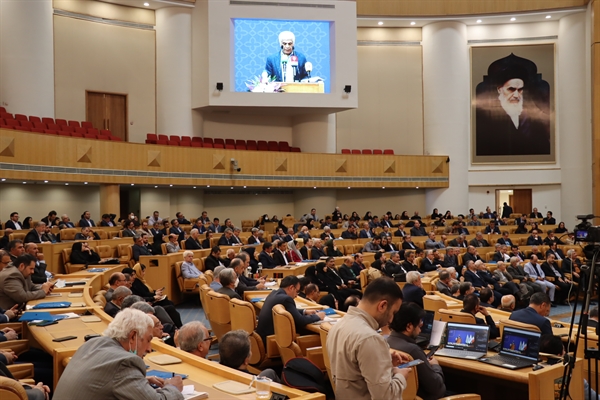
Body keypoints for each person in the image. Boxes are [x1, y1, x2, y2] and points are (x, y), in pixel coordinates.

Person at [53, 308, 184, 399]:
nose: (149, 349)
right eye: (148, 340)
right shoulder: (124, 363)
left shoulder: (91, 344)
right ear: (133, 336)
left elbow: (106, 380)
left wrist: (141, 382)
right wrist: (172, 387)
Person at [327, 277, 410, 399]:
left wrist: (384, 361)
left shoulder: (337, 326)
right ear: (382, 306)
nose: (391, 319)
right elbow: (385, 396)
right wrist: (401, 376)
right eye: (393, 312)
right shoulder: (369, 338)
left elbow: (353, 372)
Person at [475, 53, 550, 156]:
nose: (516, 95)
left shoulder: (532, 117)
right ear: (500, 89)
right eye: (511, 89)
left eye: (520, 90)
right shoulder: (486, 116)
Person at [387, 303, 446, 400]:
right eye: (419, 326)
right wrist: (436, 366)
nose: (420, 331)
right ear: (409, 327)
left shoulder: (385, 341)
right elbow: (437, 389)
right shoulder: (413, 350)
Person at [256, 275, 324, 345]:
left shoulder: (274, 293)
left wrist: (305, 311)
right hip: (272, 340)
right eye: (297, 291)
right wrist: (317, 316)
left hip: (265, 337)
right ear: (291, 288)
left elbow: (289, 310)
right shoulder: (286, 299)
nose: (296, 295)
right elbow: (301, 320)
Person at [131, 263, 183, 327]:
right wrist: (154, 296)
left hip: (149, 301)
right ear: (138, 271)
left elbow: (147, 291)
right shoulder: (136, 282)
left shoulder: (141, 280)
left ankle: (175, 326)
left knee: (169, 302)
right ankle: (176, 327)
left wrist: (155, 292)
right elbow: (143, 295)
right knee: (170, 307)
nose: (144, 273)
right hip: (147, 304)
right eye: (142, 271)